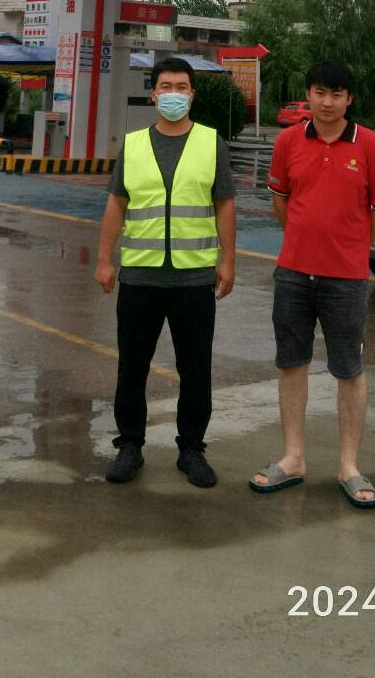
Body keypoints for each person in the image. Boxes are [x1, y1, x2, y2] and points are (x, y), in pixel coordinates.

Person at [249, 62, 375, 507]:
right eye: (319, 92)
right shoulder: (288, 142)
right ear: (308, 95)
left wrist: (351, 246)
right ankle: (293, 458)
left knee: (349, 369)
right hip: (293, 273)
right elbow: (281, 199)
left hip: (346, 279)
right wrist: (304, 239)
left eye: (336, 94)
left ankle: (349, 465)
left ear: (349, 99)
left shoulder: (368, 145)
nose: (327, 102)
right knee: (291, 363)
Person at [95, 56, 237, 487]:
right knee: (132, 367)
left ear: (192, 94)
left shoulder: (211, 143)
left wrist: (228, 260)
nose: (174, 94)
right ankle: (130, 446)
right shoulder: (134, 144)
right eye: (166, 87)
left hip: (194, 279)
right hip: (140, 276)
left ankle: (191, 449)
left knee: (196, 369)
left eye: (182, 87)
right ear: (153, 94)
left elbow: (224, 203)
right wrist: (104, 258)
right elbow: (117, 202)